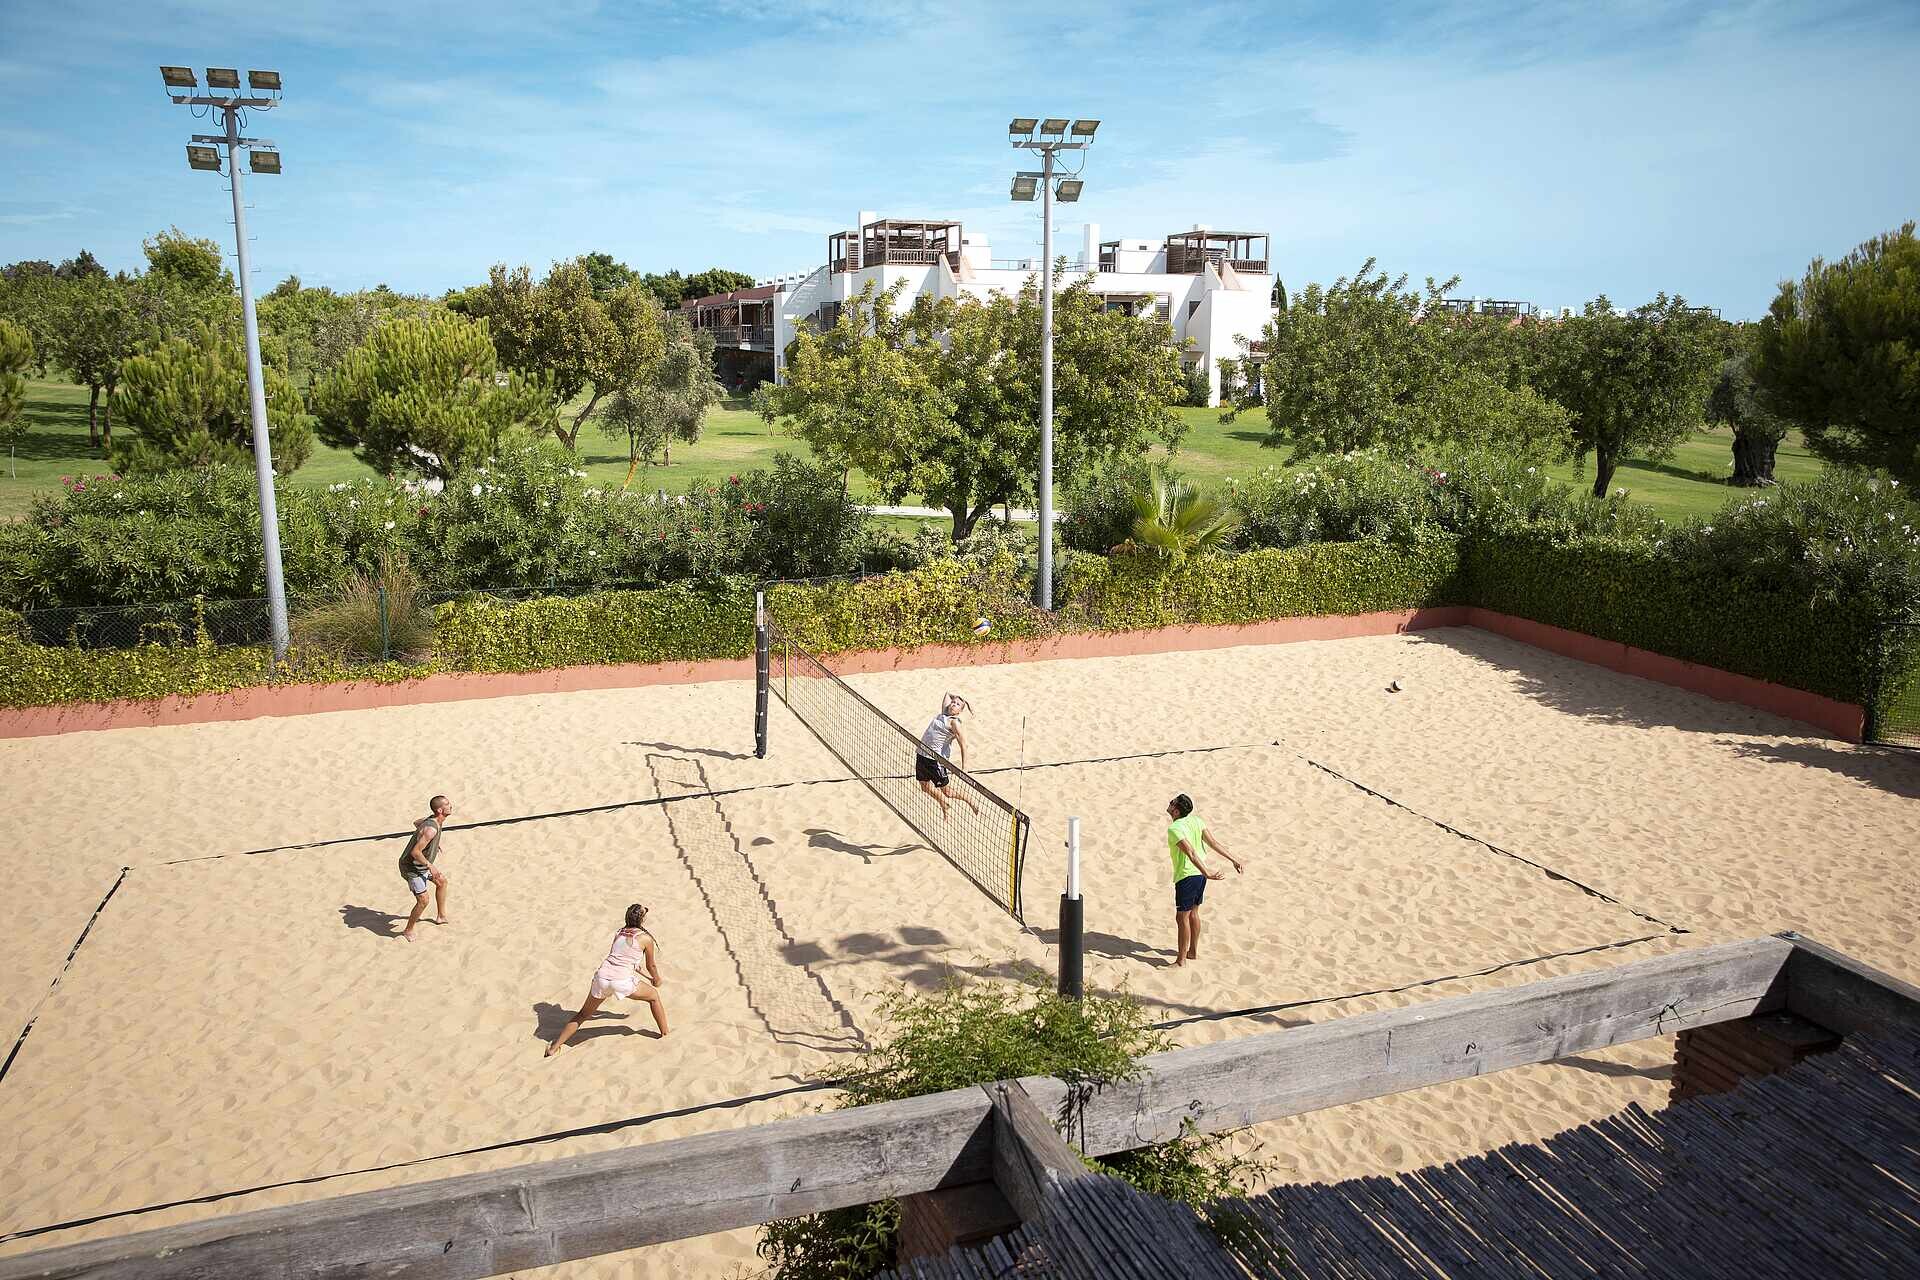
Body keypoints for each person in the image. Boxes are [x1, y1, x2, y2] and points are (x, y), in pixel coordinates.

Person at [547, 903, 669, 1056]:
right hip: (621, 981)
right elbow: (651, 965)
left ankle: (554, 1047)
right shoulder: (646, 938)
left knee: (583, 1014)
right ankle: (665, 1034)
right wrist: (656, 979)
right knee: (654, 997)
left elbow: (622, 958)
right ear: (642, 919)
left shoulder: (619, 932)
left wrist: (643, 974)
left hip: (602, 978)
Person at [1165, 793, 1245, 967]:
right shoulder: (1197, 821)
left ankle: (1181, 961)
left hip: (1188, 875)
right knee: (1194, 913)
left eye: (1172, 803)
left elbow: (1191, 853)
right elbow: (1213, 843)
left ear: (1176, 811)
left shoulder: (1174, 829)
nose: (1169, 804)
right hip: (1200, 877)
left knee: (1182, 917)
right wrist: (1234, 859)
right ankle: (1192, 952)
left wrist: (1206, 871)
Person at [916, 692, 980, 820]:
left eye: (957, 705)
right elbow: (947, 694)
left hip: (935, 760)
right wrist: (965, 701)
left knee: (948, 792)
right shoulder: (944, 713)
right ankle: (943, 804)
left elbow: (964, 745)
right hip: (921, 754)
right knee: (924, 786)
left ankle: (969, 799)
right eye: (953, 702)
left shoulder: (954, 723)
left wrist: (965, 768)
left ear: (960, 711)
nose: (953, 704)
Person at [398, 794, 453, 942]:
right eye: (447, 804)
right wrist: (430, 866)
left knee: (442, 882)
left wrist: (431, 842)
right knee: (423, 900)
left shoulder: (433, 820)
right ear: (440, 810)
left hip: (421, 864)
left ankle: (441, 916)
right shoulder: (431, 829)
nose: (450, 806)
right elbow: (415, 852)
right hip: (411, 867)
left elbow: (416, 822)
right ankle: (408, 930)